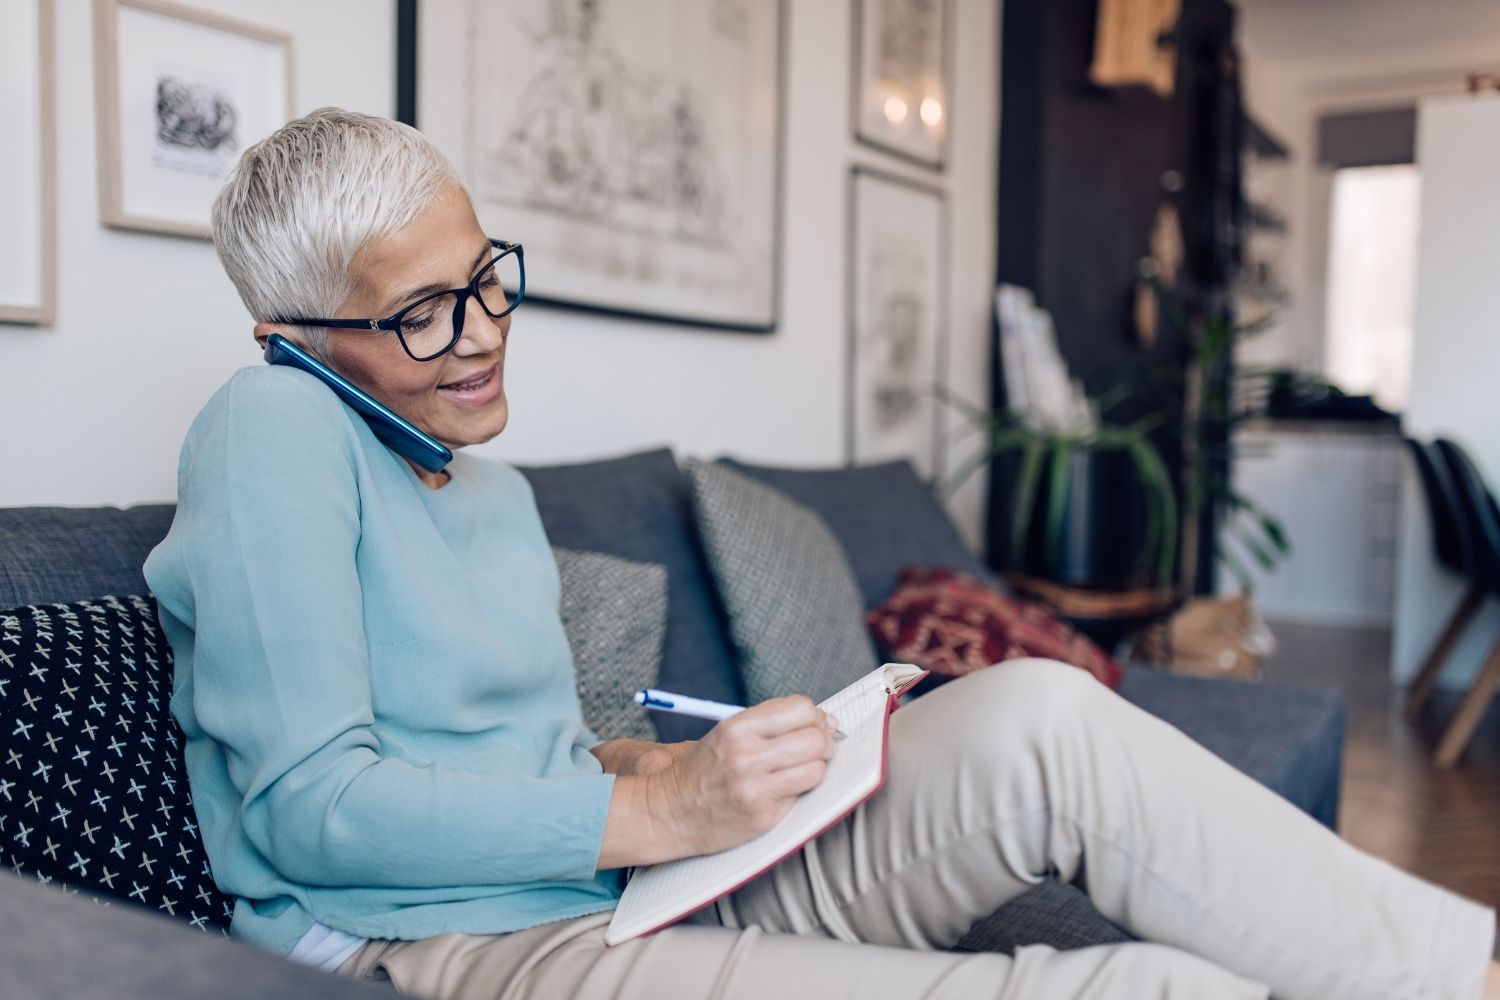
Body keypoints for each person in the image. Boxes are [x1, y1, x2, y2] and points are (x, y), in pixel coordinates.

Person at [143, 108, 1499, 1000]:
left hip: (619, 880)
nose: (486, 330)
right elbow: (308, 807)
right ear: (295, 340)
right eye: (424, 313)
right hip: (460, 944)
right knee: (1161, 990)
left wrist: (669, 766)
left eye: (485, 274)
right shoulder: (271, 429)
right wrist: (659, 813)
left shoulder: (483, 491)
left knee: (1037, 712)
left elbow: (524, 755)